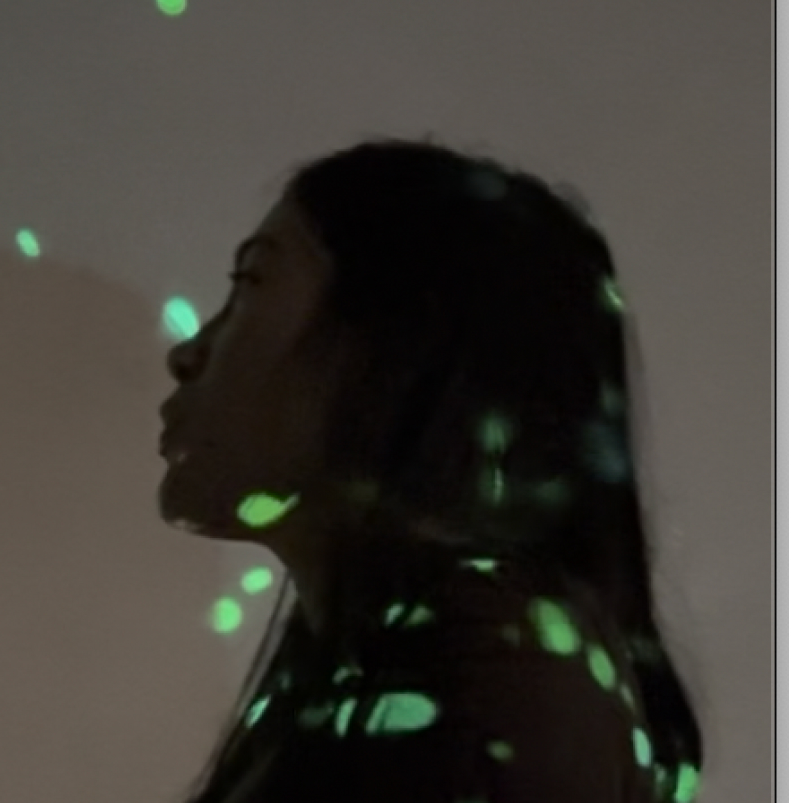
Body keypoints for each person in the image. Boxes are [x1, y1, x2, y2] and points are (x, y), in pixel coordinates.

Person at [158, 138, 704, 803]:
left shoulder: (491, 699)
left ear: (397, 346)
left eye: (250, 284)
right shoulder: (400, 669)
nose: (188, 354)